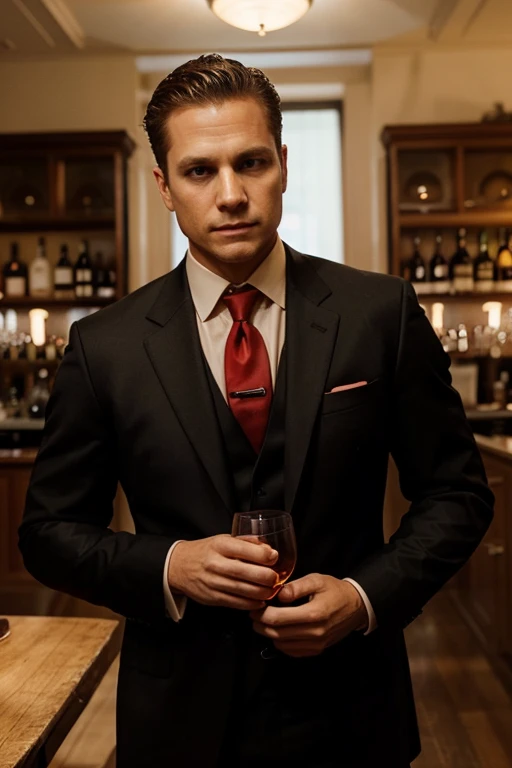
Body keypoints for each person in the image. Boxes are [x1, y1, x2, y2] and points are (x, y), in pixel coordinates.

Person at [18, 53, 494, 768]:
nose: (231, 193)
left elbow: (457, 494)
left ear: (285, 163)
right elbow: (48, 533)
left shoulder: (380, 313)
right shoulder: (104, 347)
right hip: (178, 720)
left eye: (252, 162)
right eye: (200, 170)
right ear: (164, 186)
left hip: (353, 714)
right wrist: (170, 565)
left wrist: (364, 596)